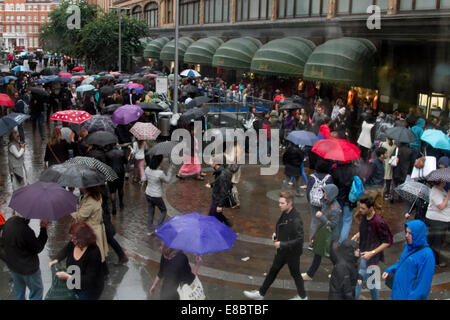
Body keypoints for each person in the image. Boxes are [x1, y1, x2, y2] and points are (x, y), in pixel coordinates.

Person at [243, 191, 308, 300]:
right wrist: (276, 235)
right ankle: (261, 293)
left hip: (292, 253)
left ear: (290, 203)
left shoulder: (296, 219)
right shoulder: (285, 213)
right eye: (279, 203)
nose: (279, 205)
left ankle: (303, 297)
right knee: (273, 270)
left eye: (282, 203)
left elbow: (299, 239)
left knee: (295, 274)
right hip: (282, 251)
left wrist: (281, 243)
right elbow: (282, 227)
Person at [48, 222, 105, 300]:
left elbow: (89, 279)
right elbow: (65, 250)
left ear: (83, 238)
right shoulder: (73, 243)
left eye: (74, 238)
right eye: (71, 238)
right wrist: (56, 259)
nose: (72, 240)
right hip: (74, 285)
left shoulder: (93, 252)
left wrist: (68, 277)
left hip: (89, 289)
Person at [352, 196, 393, 300]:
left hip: (371, 259)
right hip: (363, 254)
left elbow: (388, 241)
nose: (360, 211)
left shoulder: (379, 222)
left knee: (358, 281)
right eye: (360, 207)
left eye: (363, 208)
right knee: (373, 283)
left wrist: (372, 252)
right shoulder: (365, 216)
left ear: (371, 208)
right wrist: (359, 234)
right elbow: (367, 229)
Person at [382, 220, 435, 300]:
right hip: (397, 294)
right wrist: (390, 269)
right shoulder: (409, 247)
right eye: (406, 232)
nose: (406, 235)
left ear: (418, 234)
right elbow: (403, 264)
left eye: (410, 233)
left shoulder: (427, 255)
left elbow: (423, 285)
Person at [1, 214, 48, 300]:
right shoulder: (26, 231)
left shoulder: (8, 223)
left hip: (14, 267)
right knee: (36, 293)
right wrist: (43, 229)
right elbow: (38, 248)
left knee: (19, 293)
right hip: (29, 270)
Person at [302, 184, 341, 281]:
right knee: (326, 253)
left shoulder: (335, 209)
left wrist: (321, 217)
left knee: (319, 253)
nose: (324, 195)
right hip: (324, 232)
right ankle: (339, 269)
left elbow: (332, 225)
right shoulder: (327, 202)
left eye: (325, 193)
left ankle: (310, 274)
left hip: (329, 234)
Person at [71, 186, 109, 268]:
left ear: (88, 188)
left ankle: (102, 274)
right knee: (98, 253)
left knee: (95, 253)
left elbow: (81, 216)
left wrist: (71, 211)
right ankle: (103, 272)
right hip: (94, 229)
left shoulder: (90, 200)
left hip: (92, 231)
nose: (80, 187)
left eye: (82, 186)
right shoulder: (93, 196)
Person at [142, 155, 173, 235]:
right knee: (164, 210)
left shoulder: (147, 169)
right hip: (156, 196)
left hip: (148, 194)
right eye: (161, 160)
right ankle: (158, 228)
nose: (162, 162)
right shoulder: (160, 173)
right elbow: (167, 180)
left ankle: (149, 230)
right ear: (159, 162)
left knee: (150, 212)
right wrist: (170, 169)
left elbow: (143, 179)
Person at [306, 158, 333, 248]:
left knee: (314, 221)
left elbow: (308, 190)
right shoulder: (329, 178)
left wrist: (310, 201)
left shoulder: (312, 177)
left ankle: (311, 243)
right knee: (324, 222)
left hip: (313, 202)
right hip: (324, 203)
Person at [425, 180, 450, 268]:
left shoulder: (442, 189)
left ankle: (432, 260)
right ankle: (435, 262)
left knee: (437, 241)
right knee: (436, 243)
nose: (445, 182)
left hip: (442, 221)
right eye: (443, 181)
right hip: (436, 221)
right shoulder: (435, 191)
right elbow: (441, 206)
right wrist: (448, 196)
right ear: (440, 182)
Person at [332, 160, 357, 243]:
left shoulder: (336, 170)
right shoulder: (355, 170)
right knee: (347, 220)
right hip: (350, 199)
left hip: (339, 199)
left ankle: (338, 237)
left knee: (339, 219)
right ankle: (341, 242)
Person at [206, 155, 233, 227]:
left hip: (217, 200)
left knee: (211, 216)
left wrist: (220, 205)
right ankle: (226, 221)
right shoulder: (221, 171)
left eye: (211, 160)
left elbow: (223, 191)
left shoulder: (222, 175)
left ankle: (216, 229)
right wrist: (212, 185)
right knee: (216, 213)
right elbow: (218, 182)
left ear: (215, 163)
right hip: (217, 198)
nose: (209, 162)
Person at [105, 144, 128, 215]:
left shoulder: (107, 154)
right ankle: (121, 203)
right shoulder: (121, 152)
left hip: (110, 173)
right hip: (120, 172)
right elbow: (126, 161)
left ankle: (114, 207)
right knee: (120, 188)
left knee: (112, 191)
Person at [364, 147, 387, 215]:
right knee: (368, 205)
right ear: (381, 155)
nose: (387, 154)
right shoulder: (374, 163)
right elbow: (368, 175)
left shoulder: (383, 162)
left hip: (380, 187)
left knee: (379, 206)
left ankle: (377, 220)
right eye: (386, 153)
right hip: (373, 188)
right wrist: (366, 187)